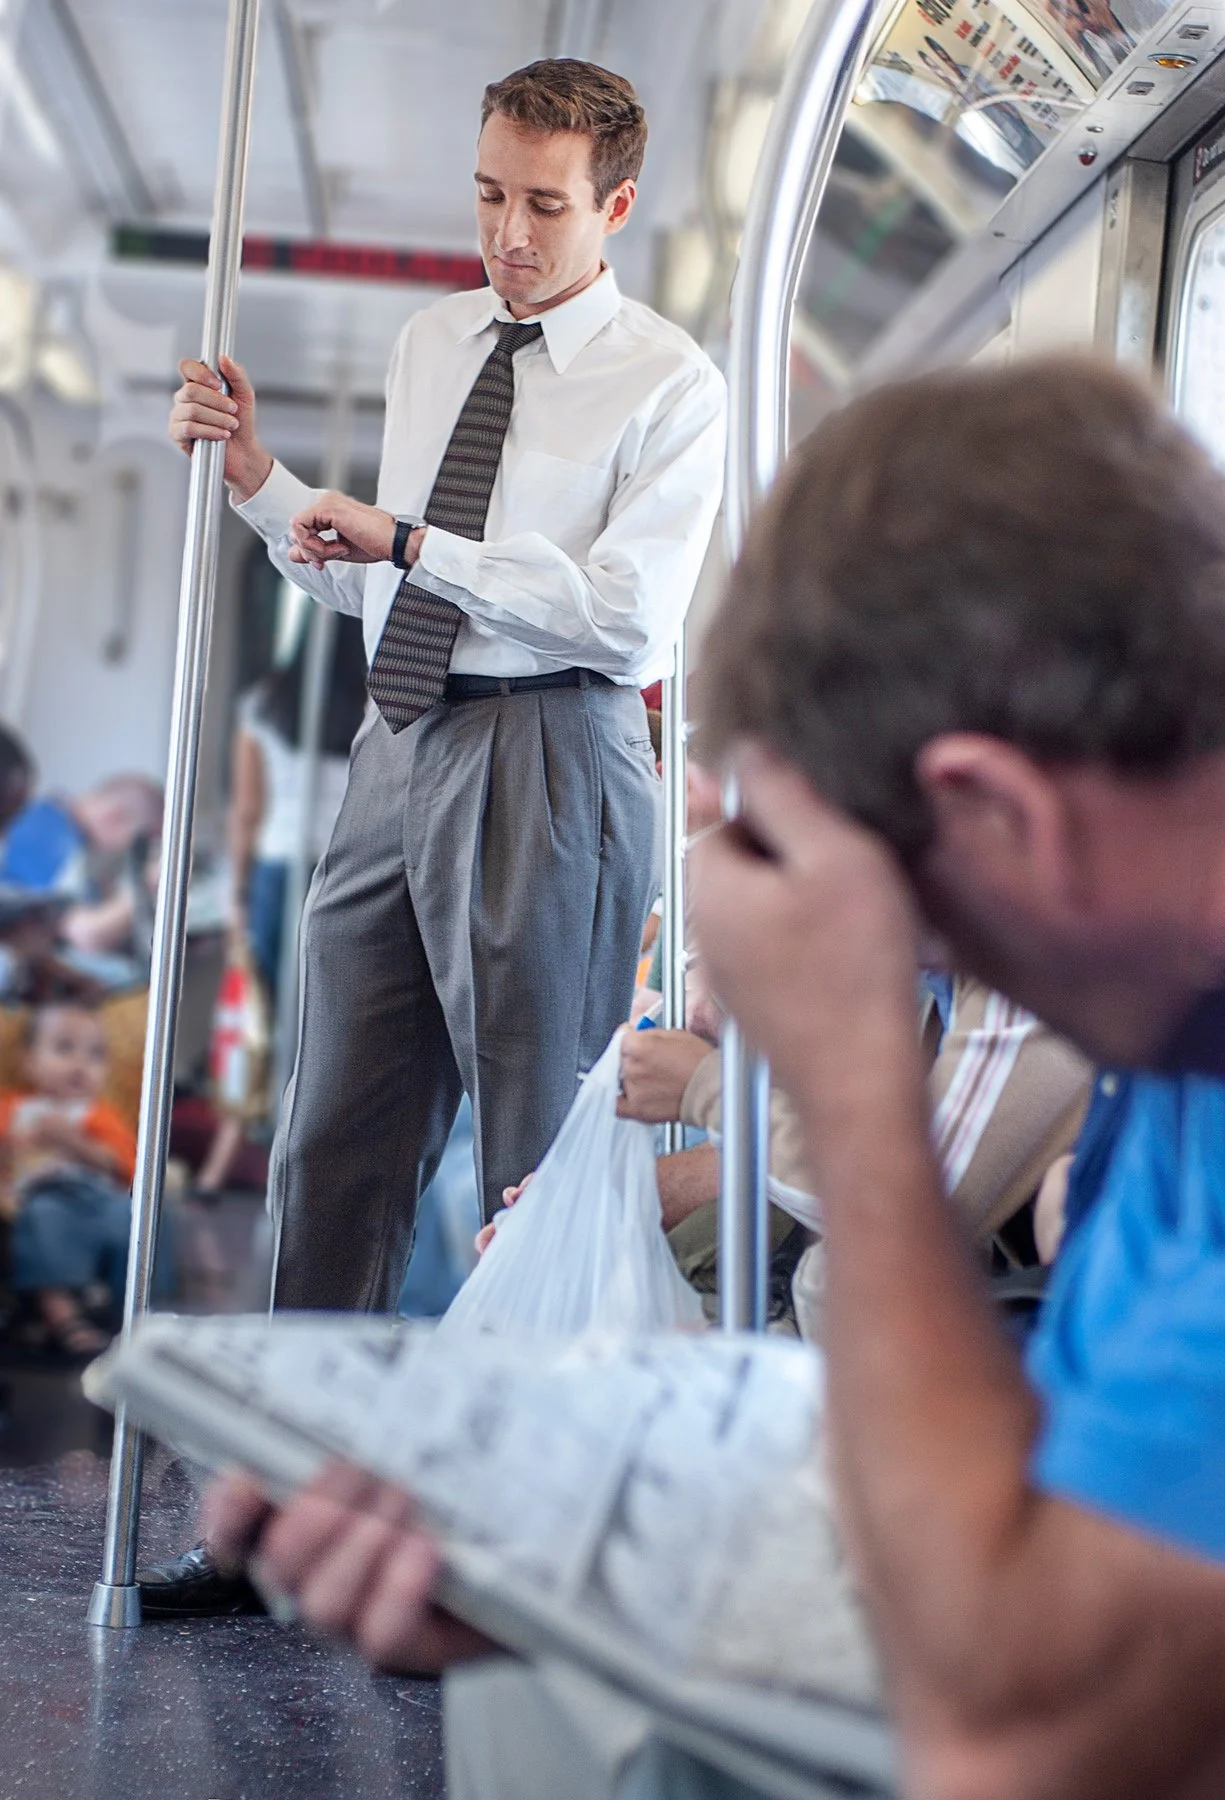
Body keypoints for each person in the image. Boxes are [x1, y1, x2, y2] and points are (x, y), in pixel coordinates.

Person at [203, 356, 1225, 1799]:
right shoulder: (1166, 1066)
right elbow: (1054, 1511)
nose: (931, 974)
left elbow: (1024, 1735)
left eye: (908, 922)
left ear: (994, 812)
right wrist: (585, 1578)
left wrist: (851, 1078)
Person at [146, 57, 725, 1615]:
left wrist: (412, 538)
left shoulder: (670, 383)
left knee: (538, 1155)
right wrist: (264, 486)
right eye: (487, 195)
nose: (508, 235)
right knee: (331, 1137)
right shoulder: (430, 344)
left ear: (614, 204)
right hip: (397, 742)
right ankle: (274, 1514)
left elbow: (626, 617)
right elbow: (379, 583)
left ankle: (520, 1549)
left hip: (555, 748)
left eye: (544, 205)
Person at [191, 614, 368, 1201]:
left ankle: (218, 1168)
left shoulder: (262, 703)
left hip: (274, 867)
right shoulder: (376, 704)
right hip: (343, 869)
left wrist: (235, 895)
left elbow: (246, 812)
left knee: (256, 1012)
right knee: (328, 1017)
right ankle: (308, 1171)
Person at [0, 1000, 136, 1359]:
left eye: (95, 1055)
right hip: (42, 1196)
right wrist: (12, 1145)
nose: (80, 1064)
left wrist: (73, 1141)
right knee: (43, 1218)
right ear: (28, 1061)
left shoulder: (100, 1114)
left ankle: (130, 1310)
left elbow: (123, 1166)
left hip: (98, 1199)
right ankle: (63, 1318)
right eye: (64, 1048)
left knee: (133, 1218)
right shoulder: (12, 1107)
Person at [0, 773, 163, 967]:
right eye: (140, 841)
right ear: (116, 816)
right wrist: (151, 882)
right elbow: (86, 933)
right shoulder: (57, 842)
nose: (125, 849)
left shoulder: (43, 816)